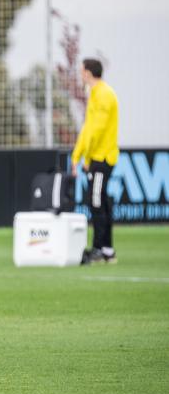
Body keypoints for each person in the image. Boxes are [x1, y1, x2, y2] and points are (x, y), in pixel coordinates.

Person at [71, 58, 119, 264]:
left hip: (101, 157)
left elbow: (96, 130)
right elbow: (88, 128)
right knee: (99, 201)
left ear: (88, 72)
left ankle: (99, 249)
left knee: (96, 201)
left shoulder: (104, 94)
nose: (80, 73)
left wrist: (87, 157)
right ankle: (107, 250)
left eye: (82, 70)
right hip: (96, 156)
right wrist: (76, 155)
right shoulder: (96, 94)